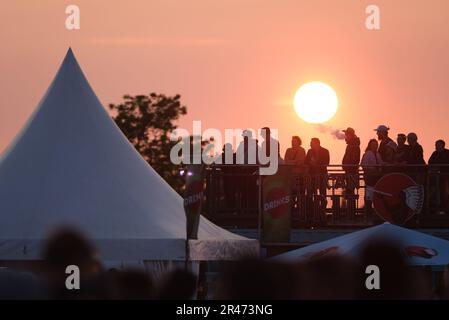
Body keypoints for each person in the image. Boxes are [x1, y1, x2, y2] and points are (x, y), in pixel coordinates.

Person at [305, 138, 330, 223]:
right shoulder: (309, 151)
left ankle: (322, 211)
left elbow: (326, 162)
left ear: (317, 143)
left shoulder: (325, 151)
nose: (310, 144)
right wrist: (311, 163)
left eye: (311, 143)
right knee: (311, 193)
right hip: (312, 176)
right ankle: (313, 211)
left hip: (322, 175)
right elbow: (306, 162)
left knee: (323, 194)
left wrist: (316, 163)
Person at [361, 139, 383, 217]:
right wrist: (372, 169)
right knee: (369, 196)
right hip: (370, 178)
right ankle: (368, 213)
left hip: (377, 178)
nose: (375, 146)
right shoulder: (367, 154)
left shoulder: (377, 154)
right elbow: (364, 165)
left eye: (376, 145)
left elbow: (381, 164)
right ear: (370, 145)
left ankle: (375, 213)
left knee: (376, 195)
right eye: (373, 145)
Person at [428, 140, 449, 213]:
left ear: (443, 145)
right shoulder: (434, 153)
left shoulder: (447, 153)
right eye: (435, 145)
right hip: (435, 178)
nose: (436, 146)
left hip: (445, 177)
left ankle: (445, 209)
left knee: (444, 193)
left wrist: (440, 168)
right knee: (434, 192)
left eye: (437, 145)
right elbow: (430, 162)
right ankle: (435, 208)